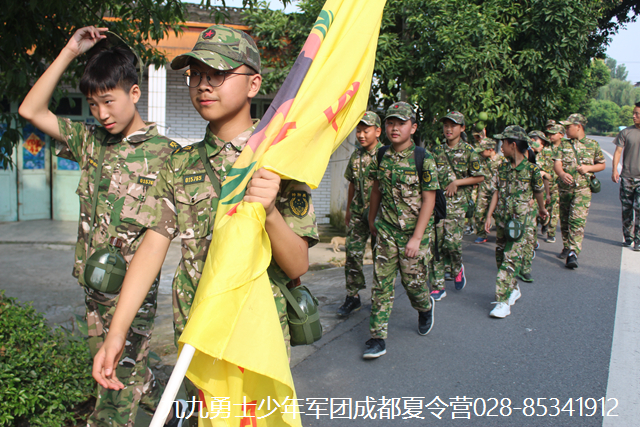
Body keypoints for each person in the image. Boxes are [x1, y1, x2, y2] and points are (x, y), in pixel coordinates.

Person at [91, 25, 318, 422]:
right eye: (195, 75)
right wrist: (116, 333)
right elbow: (153, 246)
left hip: (257, 328)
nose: (203, 86)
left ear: (254, 84)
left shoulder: (280, 161)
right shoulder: (179, 164)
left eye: (218, 74)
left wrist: (270, 211)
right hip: (197, 328)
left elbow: (298, 264)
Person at [18, 27, 177, 425]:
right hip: (93, 293)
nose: (101, 114)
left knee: (111, 395)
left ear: (135, 93)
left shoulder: (167, 156)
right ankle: (171, 404)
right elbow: (31, 111)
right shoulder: (93, 143)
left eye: (108, 101)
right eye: (93, 104)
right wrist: (71, 50)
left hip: (131, 299)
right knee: (122, 374)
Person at [364, 101, 439, 359]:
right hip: (386, 229)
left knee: (413, 284)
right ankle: (377, 337)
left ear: (413, 127)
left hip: (413, 234)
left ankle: (424, 306)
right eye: (390, 122)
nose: (394, 128)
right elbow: (376, 189)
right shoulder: (381, 155)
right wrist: (372, 219)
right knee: (381, 285)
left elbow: (429, 199)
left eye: (401, 123)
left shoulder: (424, 159)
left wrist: (417, 238)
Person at [485, 126, 547, 318]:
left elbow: (538, 192)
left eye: (502, 143)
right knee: (500, 257)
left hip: (520, 224)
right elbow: (496, 191)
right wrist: (489, 215)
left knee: (509, 259)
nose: (500, 147)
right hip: (503, 222)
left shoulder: (532, 170)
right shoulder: (502, 168)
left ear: (513, 145)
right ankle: (513, 289)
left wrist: (543, 209)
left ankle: (502, 302)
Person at [429, 111, 485, 298]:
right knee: (436, 243)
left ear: (462, 128)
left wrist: (457, 183)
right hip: (437, 204)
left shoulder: (469, 151)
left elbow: (480, 176)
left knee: (451, 243)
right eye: (446, 125)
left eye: (453, 125)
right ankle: (438, 286)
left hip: (458, 205)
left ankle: (457, 266)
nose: (449, 129)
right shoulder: (436, 151)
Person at [337, 111, 383, 317]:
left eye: (366, 130)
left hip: (380, 215)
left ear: (378, 131)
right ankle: (352, 296)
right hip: (357, 213)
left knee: (380, 257)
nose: (361, 134)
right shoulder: (356, 156)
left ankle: (380, 298)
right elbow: (352, 184)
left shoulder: (385, 155)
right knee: (353, 254)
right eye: (359, 130)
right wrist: (348, 210)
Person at [554, 114, 606, 269]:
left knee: (577, 221)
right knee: (564, 219)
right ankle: (566, 245)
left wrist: (588, 168)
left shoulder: (592, 145)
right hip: (565, 189)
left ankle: (573, 252)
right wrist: (562, 174)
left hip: (583, 190)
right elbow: (557, 164)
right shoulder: (563, 145)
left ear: (578, 126)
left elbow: (601, 164)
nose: (566, 129)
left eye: (569, 126)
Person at [518, 131, 548, 282]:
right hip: (513, 205)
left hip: (529, 203)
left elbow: (538, 186)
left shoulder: (531, 159)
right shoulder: (506, 164)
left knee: (529, 236)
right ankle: (514, 266)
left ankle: (525, 268)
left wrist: (540, 205)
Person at [612, 102, 640, 250]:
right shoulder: (626, 132)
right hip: (627, 177)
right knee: (627, 209)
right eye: (634, 113)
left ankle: (639, 239)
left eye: (637, 114)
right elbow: (618, 152)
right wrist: (615, 170)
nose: (634, 116)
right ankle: (628, 237)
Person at [474, 138, 502, 244]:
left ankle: (501, 235)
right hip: (484, 190)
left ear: (490, 149)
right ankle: (481, 234)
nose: (481, 152)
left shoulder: (501, 161)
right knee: (479, 212)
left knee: (498, 215)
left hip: (496, 191)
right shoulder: (481, 160)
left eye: (483, 150)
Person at [540, 124, 565, 243]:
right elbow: (540, 166)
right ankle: (544, 222)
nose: (550, 136)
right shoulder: (545, 150)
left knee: (555, 209)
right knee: (544, 207)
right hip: (545, 183)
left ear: (561, 135)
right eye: (549, 133)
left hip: (559, 184)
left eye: (553, 133)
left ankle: (551, 232)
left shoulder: (566, 149)